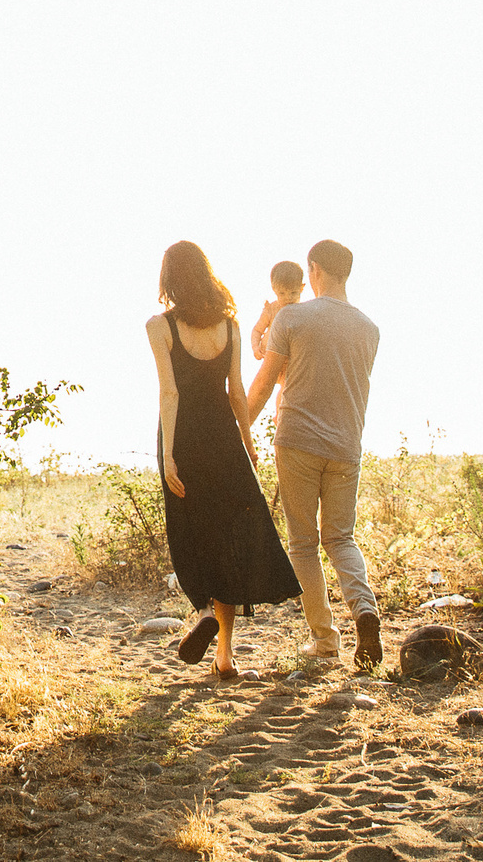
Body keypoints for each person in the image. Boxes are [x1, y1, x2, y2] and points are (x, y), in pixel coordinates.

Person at [146, 240, 302, 678]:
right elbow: (236, 390)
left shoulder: (160, 327)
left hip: (185, 438)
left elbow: (170, 392)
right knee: (229, 534)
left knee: (194, 532)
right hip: (223, 436)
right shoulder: (231, 327)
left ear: (169, 278)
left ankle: (204, 613)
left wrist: (169, 454)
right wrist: (248, 441)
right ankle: (225, 655)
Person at [244, 239, 383, 668]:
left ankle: (324, 639)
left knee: (304, 544)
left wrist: (239, 428)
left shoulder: (292, 317)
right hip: (346, 446)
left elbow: (266, 383)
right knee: (341, 538)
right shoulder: (369, 328)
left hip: (298, 441)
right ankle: (365, 611)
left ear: (314, 271)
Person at [248, 260, 308, 446]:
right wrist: (256, 347)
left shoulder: (304, 311)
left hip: (291, 362)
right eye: (282, 293)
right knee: (260, 387)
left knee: (285, 391)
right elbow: (257, 330)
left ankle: (279, 419)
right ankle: (243, 423)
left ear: (302, 288)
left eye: (293, 293)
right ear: (274, 289)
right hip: (271, 357)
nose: (288, 298)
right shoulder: (272, 309)